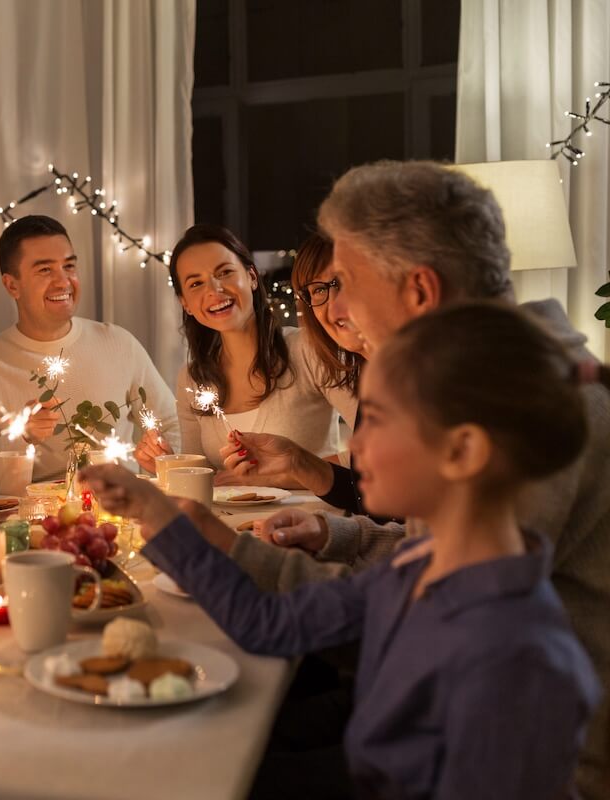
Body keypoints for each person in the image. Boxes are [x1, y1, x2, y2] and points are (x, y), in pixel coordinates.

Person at [177, 160, 610, 798]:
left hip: (515, 761)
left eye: (346, 282)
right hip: (435, 701)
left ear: (419, 292)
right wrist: (338, 537)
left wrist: (229, 556)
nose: (337, 309)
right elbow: (426, 564)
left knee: (213, 759)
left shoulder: (517, 410)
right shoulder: (479, 380)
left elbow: (419, 612)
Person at [83, 302, 603, 799]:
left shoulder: (520, 662)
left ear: (463, 449)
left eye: (377, 419)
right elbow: (273, 625)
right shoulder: (419, 565)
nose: (354, 445)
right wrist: (158, 515)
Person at [0, 214, 178, 480]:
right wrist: (23, 436)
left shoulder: (119, 343)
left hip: (120, 511)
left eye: (69, 267)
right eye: (45, 270)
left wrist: (165, 461)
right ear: (12, 285)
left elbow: (171, 423)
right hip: (31, 518)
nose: (63, 282)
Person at [133, 225, 354, 484]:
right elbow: (212, 480)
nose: (214, 290)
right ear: (185, 304)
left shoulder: (308, 348)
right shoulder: (192, 379)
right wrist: (170, 465)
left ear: (251, 276)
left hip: (312, 520)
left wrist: (280, 474)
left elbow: (373, 452)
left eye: (225, 272)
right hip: (228, 524)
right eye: (196, 283)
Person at [218, 232, 378, 515]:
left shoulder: (429, 381)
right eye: (317, 290)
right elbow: (374, 502)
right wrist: (295, 461)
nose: (334, 306)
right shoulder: (374, 381)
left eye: (342, 282)